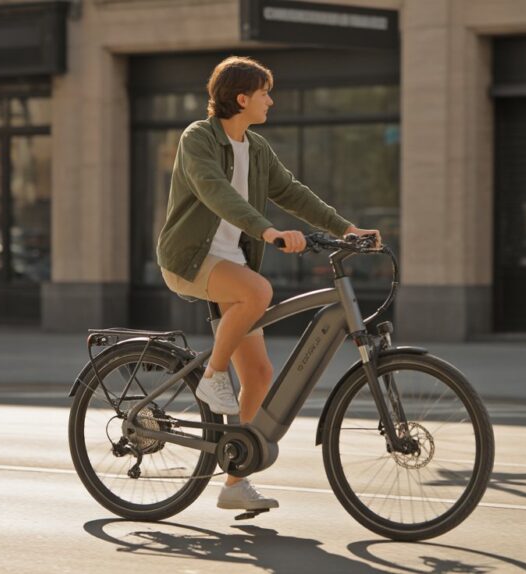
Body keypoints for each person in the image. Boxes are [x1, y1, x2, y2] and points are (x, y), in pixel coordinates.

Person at [156, 56, 380, 513]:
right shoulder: (199, 139)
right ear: (242, 98)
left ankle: (235, 481)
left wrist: (345, 230)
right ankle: (213, 377)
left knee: (258, 374)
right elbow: (215, 191)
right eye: (265, 94)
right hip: (189, 257)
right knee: (258, 291)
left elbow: (292, 192)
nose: (271, 101)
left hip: (229, 262)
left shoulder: (255, 148)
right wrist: (267, 231)